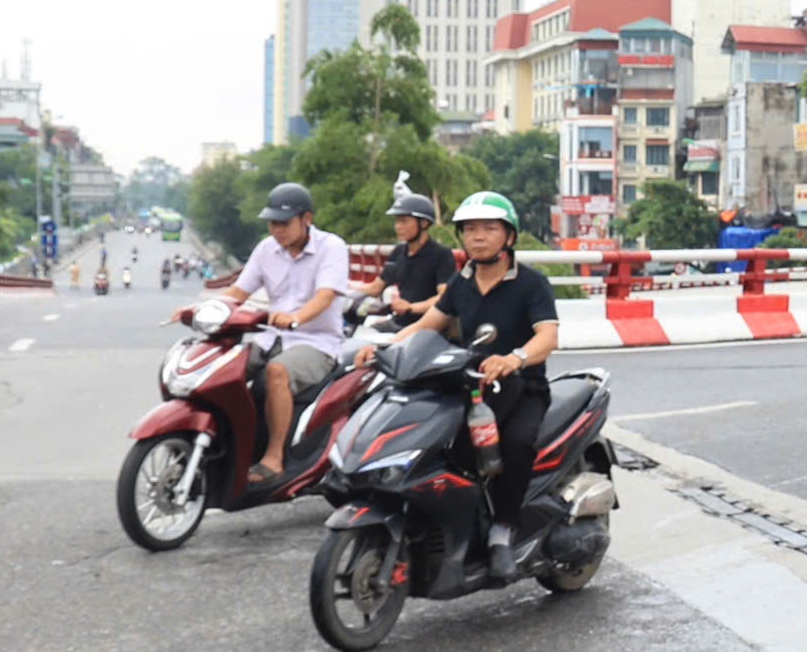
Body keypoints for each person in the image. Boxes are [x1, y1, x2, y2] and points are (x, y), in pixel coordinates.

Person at [360, 192, 557, 583]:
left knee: (514, 444)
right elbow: (425, 325)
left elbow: (547, 336)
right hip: (468, 385)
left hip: (522, 387)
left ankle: (503, 529)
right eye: (470, 230)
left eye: (489, 229)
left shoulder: (531, 283)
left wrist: (513, 358)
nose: (478, 237)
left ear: (509, 237)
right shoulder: (460, 283)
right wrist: (382, 348)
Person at [208, 182, 350, 485]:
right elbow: (237, 292)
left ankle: (274, 458)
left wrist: (296, 318)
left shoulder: (332, 247)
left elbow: (325, 296)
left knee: (277, 372)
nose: (276, 230)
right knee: (222, 368)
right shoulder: (266, 249)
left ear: (307, 219)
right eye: (272, 223)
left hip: (317, 342)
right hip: (270, 337)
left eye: (283, 223)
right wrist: (204, 311)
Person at [350, 191, 456, 326]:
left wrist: (412, 308)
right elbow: (375, 288)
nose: (397, 227)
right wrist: (339, 289)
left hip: (427, 326)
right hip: (399, 321)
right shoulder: (398, 252)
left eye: (404, 221)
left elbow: (444, 297)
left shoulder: (441, 255)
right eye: (397, 221)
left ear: (423, 223)